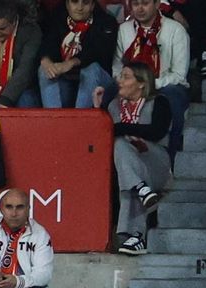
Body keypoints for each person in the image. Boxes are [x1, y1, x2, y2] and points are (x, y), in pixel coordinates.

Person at [99, 63, 172, 257]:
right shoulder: (113, 106)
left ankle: (134, 233)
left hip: (156, 161)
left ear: (141, 83)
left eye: (126, 77)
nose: (119, 81)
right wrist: (97, 109)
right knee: (122, 151)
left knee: (122, 150)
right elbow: (101, 135)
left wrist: (122, 129)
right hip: (129, 167)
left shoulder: (159, 102)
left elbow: (156, 132)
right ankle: (138, 231)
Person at [113, 0, 190, 159]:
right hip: (132, 82)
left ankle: (170, 157)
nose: (140, 8)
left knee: (172, 97)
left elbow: (179, 74)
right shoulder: (123, 30)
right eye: (135, 4)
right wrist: (131, 82)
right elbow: (116, 67)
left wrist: (147, 83)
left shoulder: (175, 30)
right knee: (108, 91)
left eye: (145, 3)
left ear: (157, 4)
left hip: (165, 84)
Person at [36, 0, 117, 109]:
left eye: (85, 3)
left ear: (92, 5)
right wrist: (45, 60)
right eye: (74, 2)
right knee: (44, 69)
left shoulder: (107, 21)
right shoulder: (56, 18)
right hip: (67, 82)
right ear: (67, 4)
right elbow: (47, 44)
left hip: (99, 84)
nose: (79, 7)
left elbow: (99, 52)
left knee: (91, 69)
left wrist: (72, 62)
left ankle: (80, 121)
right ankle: (54, 120)